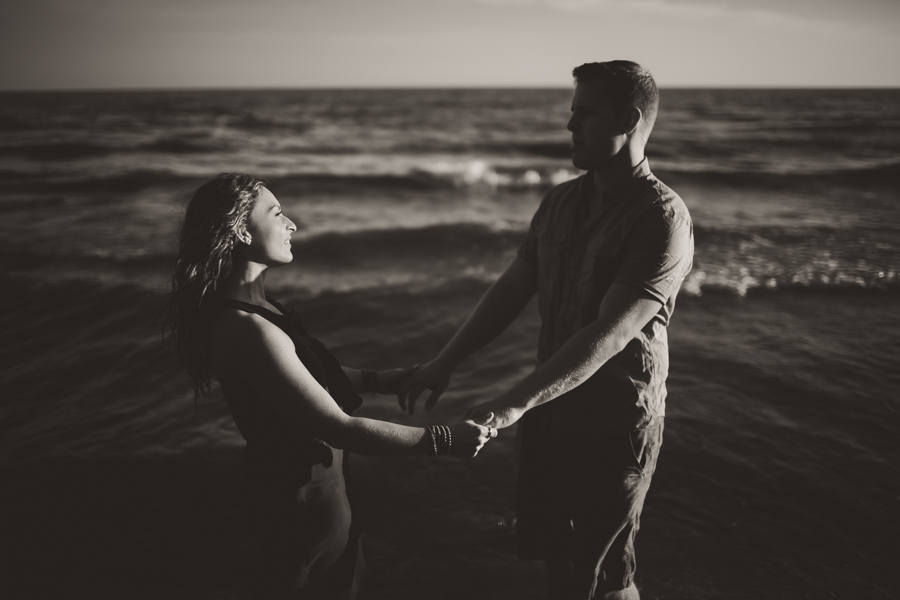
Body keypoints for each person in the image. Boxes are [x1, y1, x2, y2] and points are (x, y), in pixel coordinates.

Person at [400, 61, 693, 599]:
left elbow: (609, 335)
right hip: (548, 413)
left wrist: (507, 406)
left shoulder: (661, 217)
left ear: (628, 118)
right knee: (553, 559)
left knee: (603, 578)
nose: (569, 124)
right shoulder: (559, 201)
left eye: (584, 112)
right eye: (571, 111)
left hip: (612, 423)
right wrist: (445, 361)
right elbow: (512, 289)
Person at [163, 173, 496, 599]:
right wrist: (447, 440)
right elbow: (339, 427)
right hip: (297, 510)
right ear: (241, 230)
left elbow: (312, 373)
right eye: (277, 213)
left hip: (329, 496)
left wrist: (387, 380)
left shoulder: (264, 308)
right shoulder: (244, 329)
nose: (292, 225)